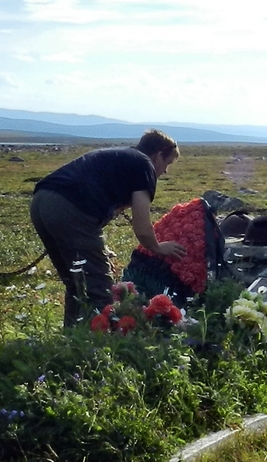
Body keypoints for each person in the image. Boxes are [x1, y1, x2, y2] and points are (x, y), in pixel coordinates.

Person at [30, 130, 187, 327]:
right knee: (99, 289)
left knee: (77, 282)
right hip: (69, 207)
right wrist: (158, 247)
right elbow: (143, 227)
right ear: (158, 155)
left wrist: (99, 251)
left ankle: (72, 338)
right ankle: (97, 347)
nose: (165, 171)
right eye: (167, 164)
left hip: (41, 201)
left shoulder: (123, 158)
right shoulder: (144, 165)